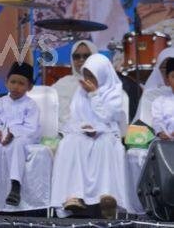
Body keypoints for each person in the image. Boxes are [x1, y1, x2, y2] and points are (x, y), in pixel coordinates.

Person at [50, 54, 128, 219]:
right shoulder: (80, 92)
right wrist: (82, 127)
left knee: (104, 144)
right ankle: (73, 196)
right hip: (84, 132)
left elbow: (108, 116)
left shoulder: (114, 92)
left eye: (92, 76)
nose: (88, 80)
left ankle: (107, 196)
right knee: (69, 142)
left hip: (107, 132)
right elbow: (74, 118)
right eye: (86, 75)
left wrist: (94, 94)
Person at [0, 62, 40, 207]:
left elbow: (31, 128)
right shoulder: (1, 102)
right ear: (6, 82)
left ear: (29, 87)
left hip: (22, 138)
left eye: (21, 83)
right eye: (13, 82)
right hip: (2, 136)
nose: (16, 86)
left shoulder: (31, 105)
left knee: (17, 144)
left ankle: (15, 186)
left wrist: (13, 134)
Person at [52, 40, 97, 131]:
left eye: (86, 56)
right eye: (76, 57)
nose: (81, 60)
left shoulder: (104, 82)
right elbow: (57, 115)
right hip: (68, 132)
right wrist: (79, 127)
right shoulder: (63, 83)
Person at [151, 59, 174, 140]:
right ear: (167, 80)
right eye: (173, 76)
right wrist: (161, 133)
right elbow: (157, 121)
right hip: (168, 144)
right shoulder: (159, 102)